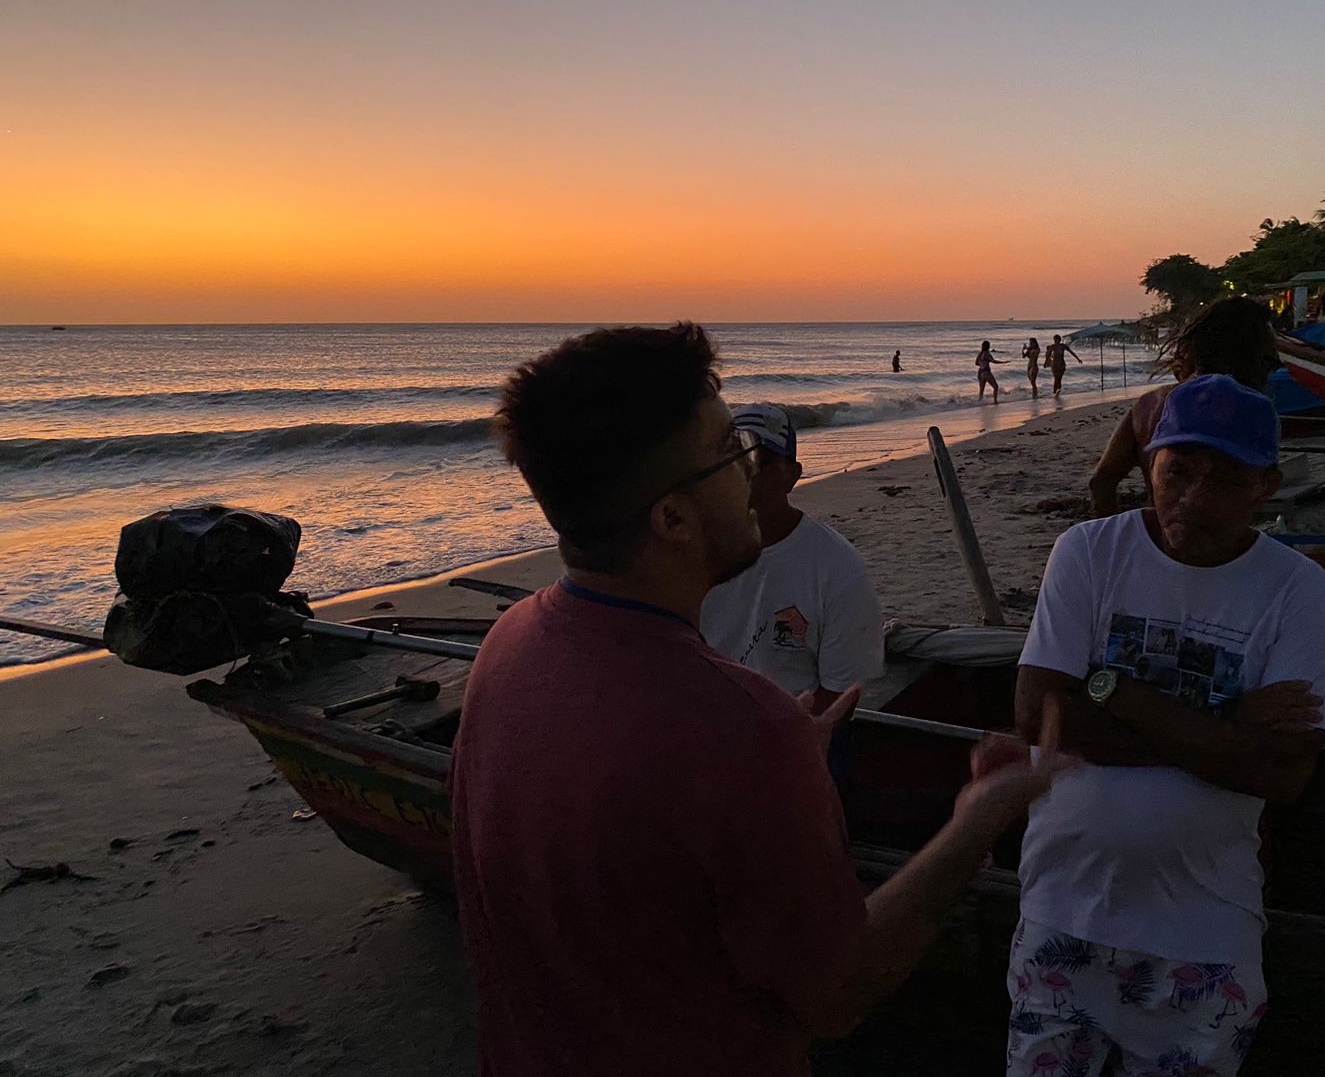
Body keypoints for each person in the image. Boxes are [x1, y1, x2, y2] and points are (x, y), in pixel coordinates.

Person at [450, 322, 1069, 1076]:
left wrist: (773, 770)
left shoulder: (510, 642)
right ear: (672, 519)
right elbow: (839, 992)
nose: (749, 474)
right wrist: (977, 818)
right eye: (729, 454)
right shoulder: (741, 729)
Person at [1008, 374, 1325, 1076]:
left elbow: (1283, 774)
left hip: (1206, 930)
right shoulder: (1088, 552)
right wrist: (1228, 718)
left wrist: (1111, 691)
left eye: (1224, 480)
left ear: (1267, 486)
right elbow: (1040, 716)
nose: (1192, 497)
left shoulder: (1299, 589)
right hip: (1062, 909)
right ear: (1148, 466)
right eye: (1177, 472)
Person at [701, 404, 885, 704]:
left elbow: (839, 696)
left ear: (792, 475)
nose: (742, 473)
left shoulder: (837, 567)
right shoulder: (688, 556)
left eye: (758, 460)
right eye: (729, 460)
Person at [1088, 298, 1277, 518]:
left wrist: (1117, 533)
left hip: (1165, 529)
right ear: (1250, 352)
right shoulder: (1243, 406)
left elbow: (1102, 481)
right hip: (1220, 533)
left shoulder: (1149, 404)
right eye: (1268, 357)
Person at [976, 339, 1006, 405]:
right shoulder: (987, 353)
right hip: (986, 372)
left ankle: (979, 402)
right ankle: (995, 401)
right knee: (995, 386)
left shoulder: (979, 354)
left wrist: (982, 364)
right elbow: (993, 361)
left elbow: (976, 363)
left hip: (980, 372)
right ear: (988, 346)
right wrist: (1003, 362)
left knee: (981, 390)